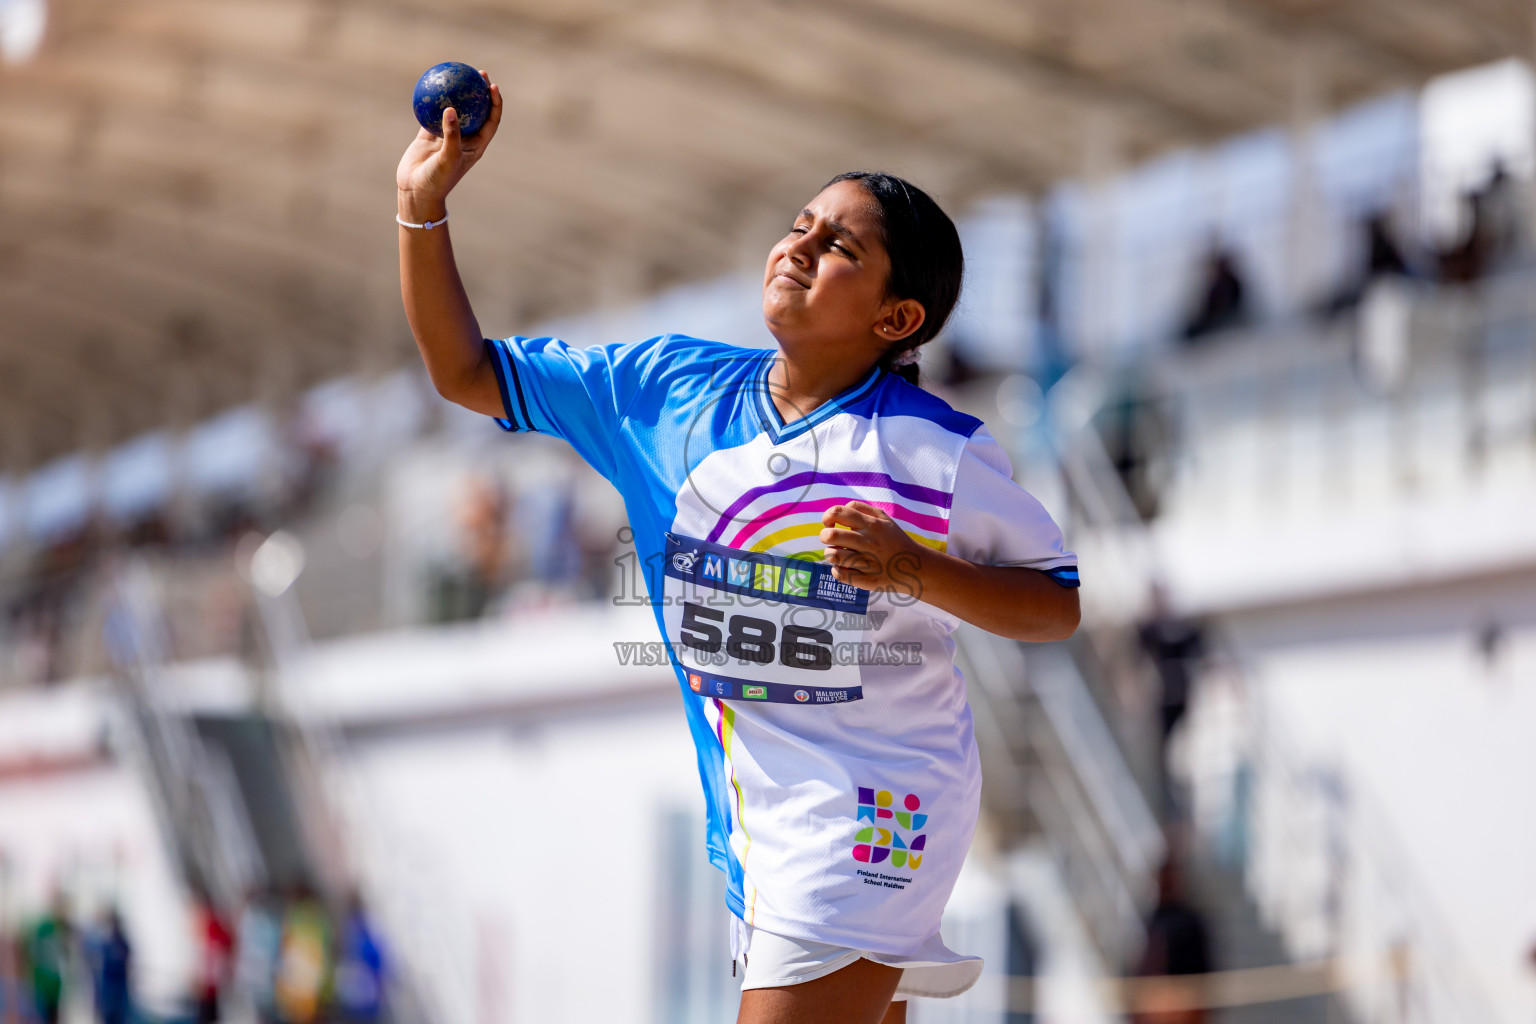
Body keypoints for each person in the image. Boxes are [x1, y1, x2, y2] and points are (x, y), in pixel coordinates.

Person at [396, 75, 1081, 1024]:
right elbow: (465, 370)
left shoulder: (931, 450)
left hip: (874, 811)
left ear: (897, 320)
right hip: (758, 825)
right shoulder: (661, 387)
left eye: (839, 244)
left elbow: (1055, 604)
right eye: (801, 223)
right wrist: (420, 209)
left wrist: (913, 569)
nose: (800, 244)